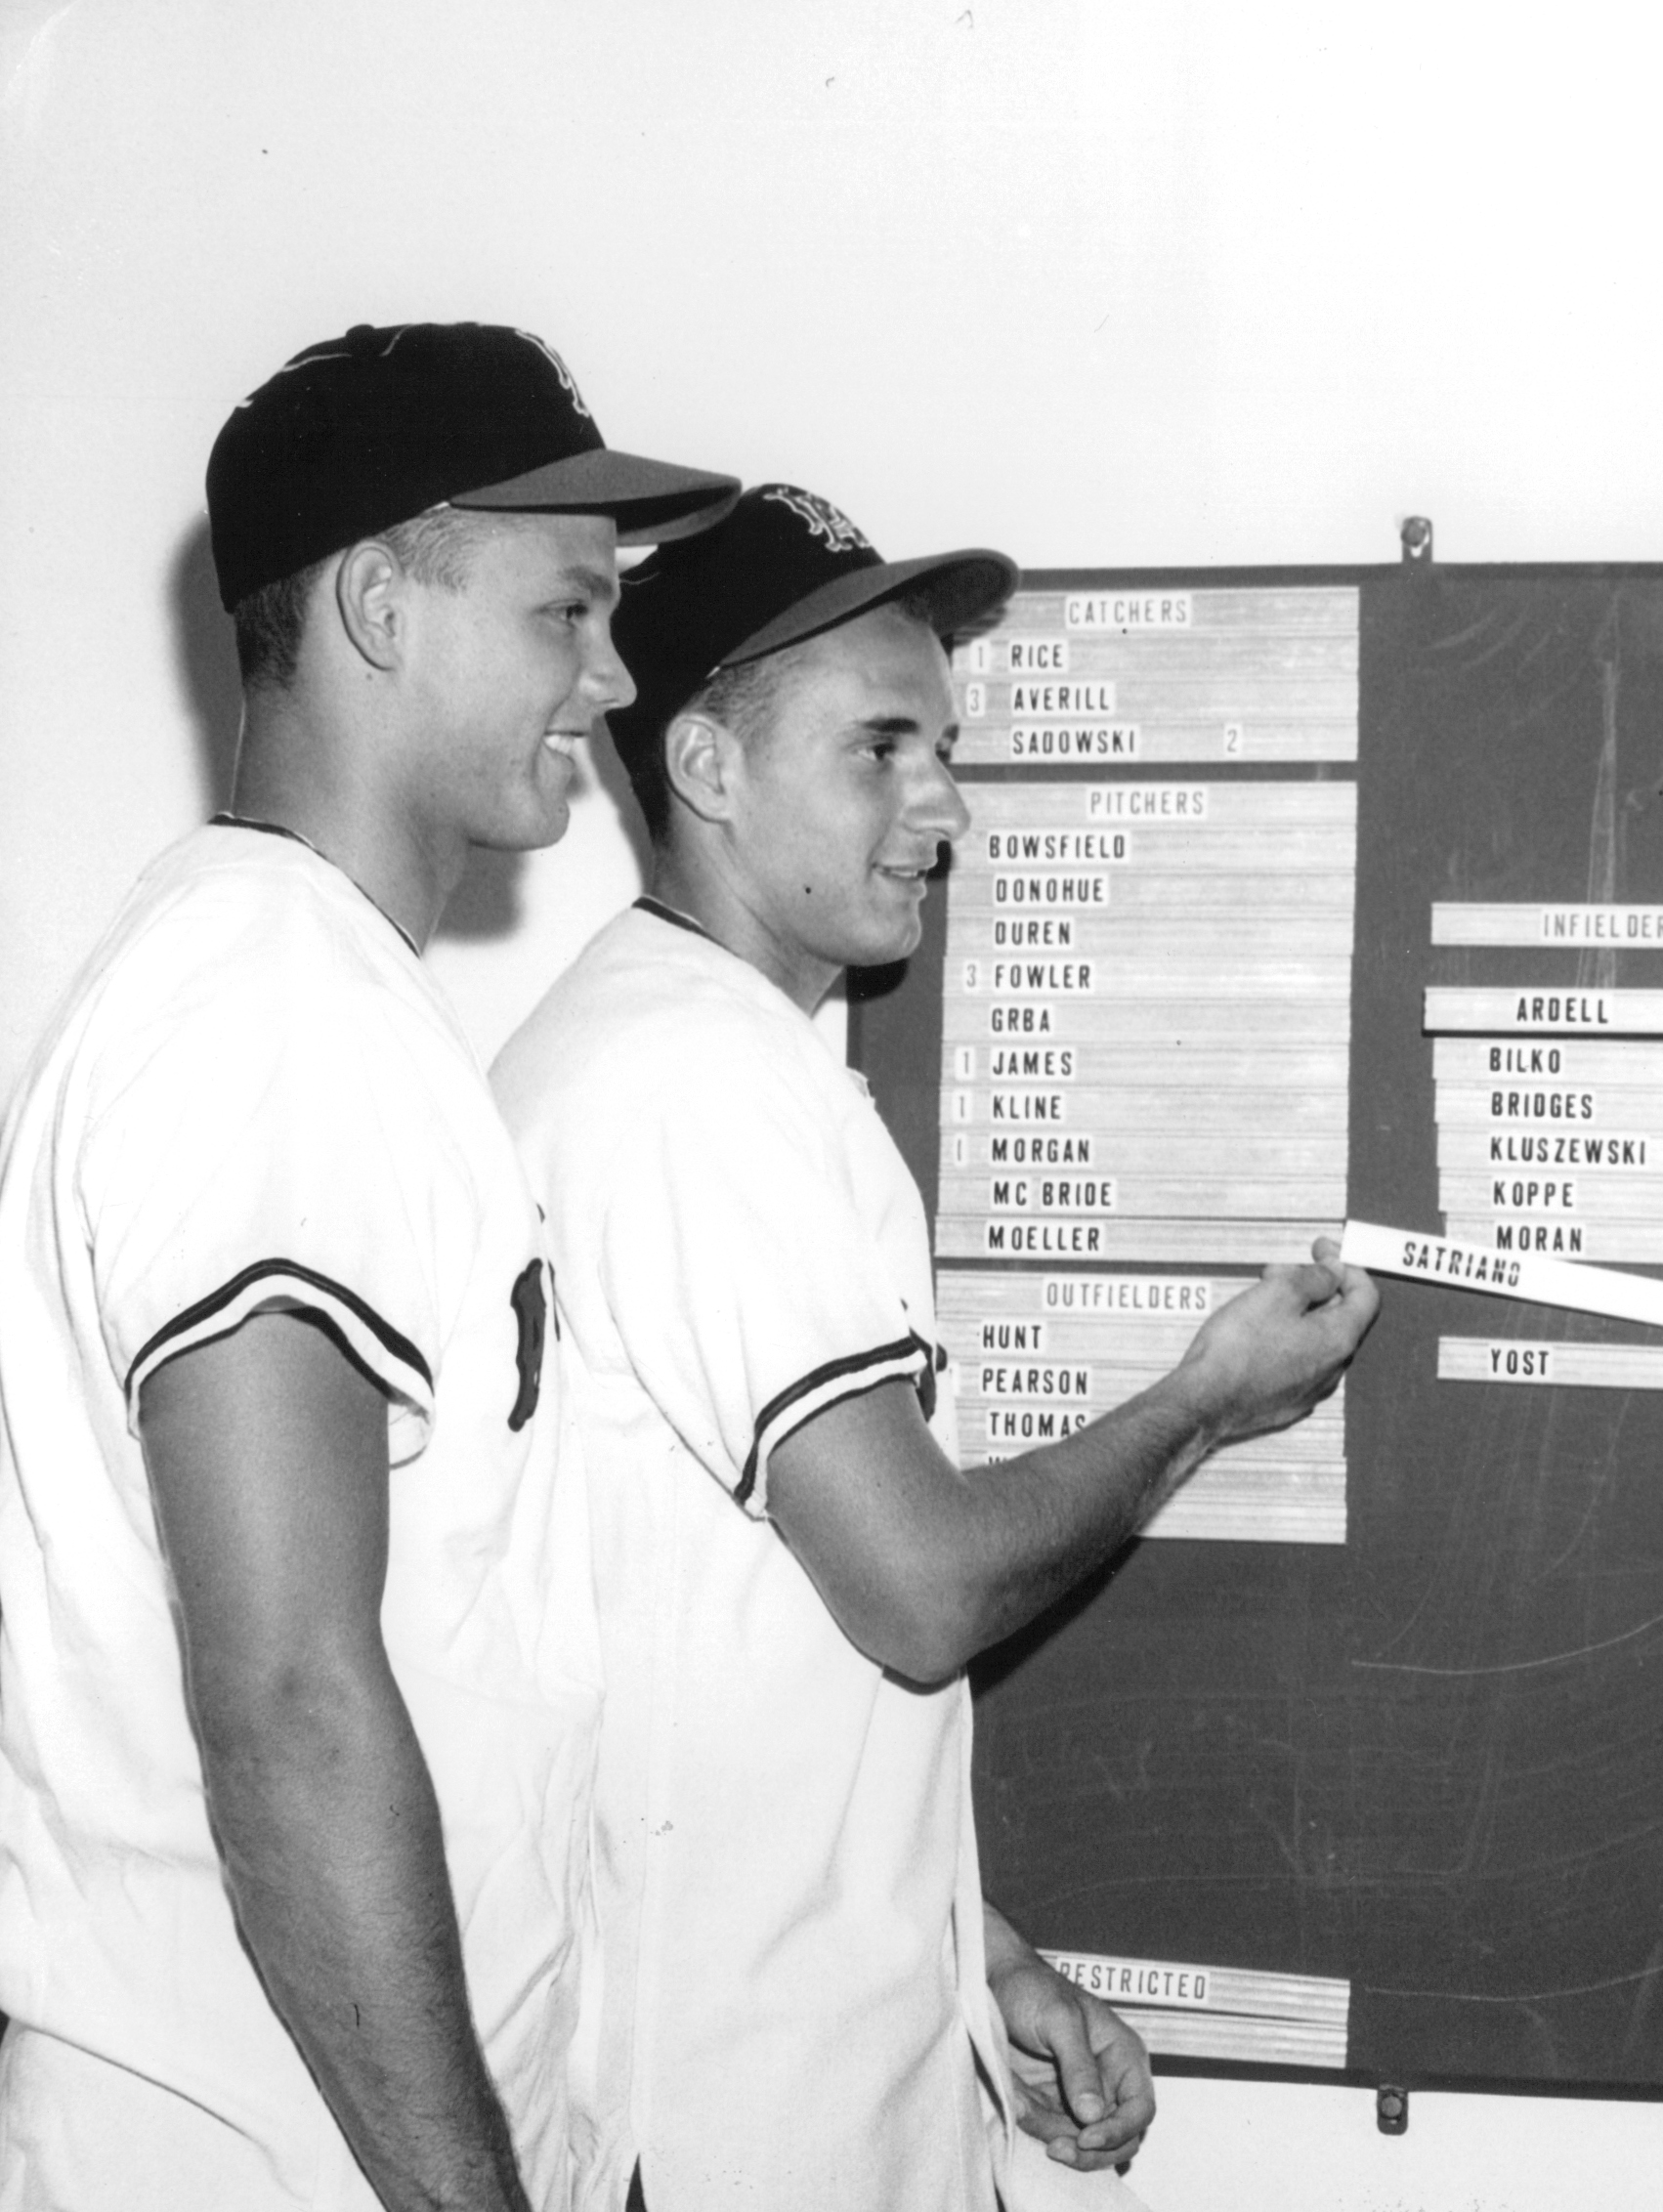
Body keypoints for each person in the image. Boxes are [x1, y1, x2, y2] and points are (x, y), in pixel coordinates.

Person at [491, 483, 1380, 2210]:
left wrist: (979, 1949)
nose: (944, 807)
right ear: (709, 769)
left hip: (786, 2083)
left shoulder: (683, 1059)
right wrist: (1205, 1401)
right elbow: (918, 1590)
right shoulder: (693, 1087)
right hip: (735, 2127)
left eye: (945, 748)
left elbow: (734, 1662)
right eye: (880, 749)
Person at [0, 322, 735, 2209]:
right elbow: (294, 1702)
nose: (616, 671)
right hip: (265, 2157)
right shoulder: (265, 1008)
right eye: (569, 610)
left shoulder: (308, 991)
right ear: (380, 605)